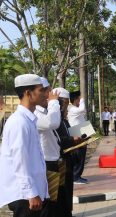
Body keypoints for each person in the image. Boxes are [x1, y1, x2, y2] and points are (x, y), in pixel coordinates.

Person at [0, 74, 49, 217]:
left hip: (30, 193)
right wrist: (32, 193)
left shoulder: (29, 120)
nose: (45, 94)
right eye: (41, 90)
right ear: (28, 93)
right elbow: (19, 162)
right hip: (24, 196)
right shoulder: (19, 122)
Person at [35, 78, 62, 217]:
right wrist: (53, 103)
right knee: (47, 205)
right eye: (48, 91)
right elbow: (53, 123)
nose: (51, 94)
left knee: (52, 202)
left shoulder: (44, 111)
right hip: (45, 162)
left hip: (51, 161)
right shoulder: (36, 114)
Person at [54, 87, 82, 216]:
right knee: (61, 194)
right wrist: (73, 140)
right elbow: (59, 140)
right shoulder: (54, 121)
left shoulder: (63, 120)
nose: (65, 106)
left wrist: (83, 135)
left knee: (67, 191)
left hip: (68, 159)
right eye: (64, 103)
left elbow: (70, 132)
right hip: (59, 161)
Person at [67, 90, 88, 184]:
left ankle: (78, 175)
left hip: (81, 132)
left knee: (82, 155)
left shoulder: (75, 108)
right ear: (75, 99)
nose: (80, 100)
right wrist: (83, 100)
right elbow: (82, 110)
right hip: (76, 133)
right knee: (78, 155)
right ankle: (75, 177)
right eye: (79, 99)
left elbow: (83, 112)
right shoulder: (71, 108)